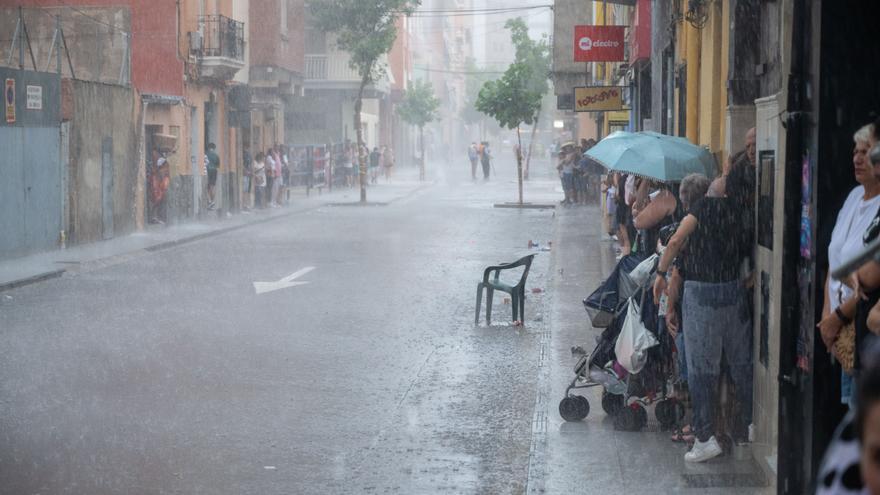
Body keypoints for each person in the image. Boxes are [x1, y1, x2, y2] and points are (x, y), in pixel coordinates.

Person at [653, 169, 753, 463]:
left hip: (702, 295)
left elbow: (675, 243)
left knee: (701, 369)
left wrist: (660, 274)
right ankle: (749, 426)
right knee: (741, 363)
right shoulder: (740, 209)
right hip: (733, 292)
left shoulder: (704, 207)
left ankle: (705, 437)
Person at [818, 124, 880, 405]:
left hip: (862, 332)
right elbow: (836, 259)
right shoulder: (854, 197)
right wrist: (826, 316)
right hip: (842, 335)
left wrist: (838, 317)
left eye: (865, 152)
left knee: (862, 424)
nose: (857, 158)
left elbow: (868, 279)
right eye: (855, 151)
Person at [149, 149, 169, 224]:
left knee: (158, 201)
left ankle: (156, 217)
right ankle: (154, 217)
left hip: (160, 187)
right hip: (158, 188)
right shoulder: (158, 172)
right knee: (157, 201)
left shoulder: (162, 171)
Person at [205, 143, 220, 210]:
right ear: (214, 148)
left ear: (208, 148)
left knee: (207, 187)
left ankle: (210, 201)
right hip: (214, 171)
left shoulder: (206, 154)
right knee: (212, 186)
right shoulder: (216, 156)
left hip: (207, 171)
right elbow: (218, 166)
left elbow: (204, 162)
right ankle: (212, 201)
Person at [242, 145, 253, 211]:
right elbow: (242, 164)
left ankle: (246, 205)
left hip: (248, 175)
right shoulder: (243, 155)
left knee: (247, 190)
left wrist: (250, 172)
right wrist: (246, 171)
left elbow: (250, 165)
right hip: (245, 175)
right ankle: (244, 205)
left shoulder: (249, 155)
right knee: (244, 190)